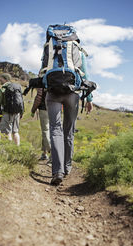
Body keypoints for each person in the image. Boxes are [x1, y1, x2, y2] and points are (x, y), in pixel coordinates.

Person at [47, 58, 94, 186]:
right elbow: (84, 73)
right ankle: (67, 167)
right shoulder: (78, 50)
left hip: (52, 92)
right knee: (69, 131)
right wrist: (89, 99)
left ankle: (58, 172)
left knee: (55, 130)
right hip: (73, 93)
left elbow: (43, 69)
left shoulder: (50, 43)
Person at [0, 73, 24, 146]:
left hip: (7, 113)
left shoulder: (3, 88)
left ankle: (7, 150)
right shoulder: (17, 87)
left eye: (1, 78)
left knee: (7, 132)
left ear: (5, 79)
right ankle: (17, 149)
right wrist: (21, 112)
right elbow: (21, 101)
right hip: (17, 113)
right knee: (15, 132)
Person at [31, 88, 51, 161]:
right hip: (55, 109)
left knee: (45, 131)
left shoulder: (43, 83)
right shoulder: (55, 80)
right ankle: (44, 153)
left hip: (44, 109)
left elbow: (38, 97)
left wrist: (33, 110)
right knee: (51, 131)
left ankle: (52, 151)